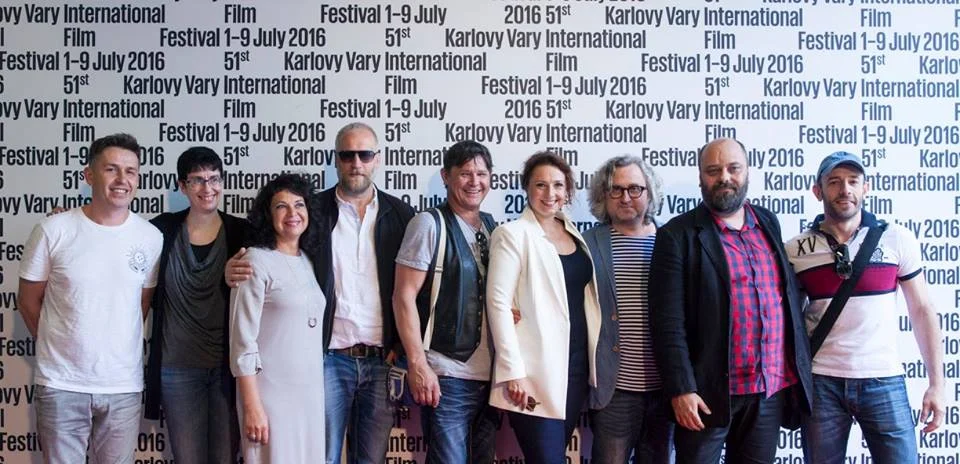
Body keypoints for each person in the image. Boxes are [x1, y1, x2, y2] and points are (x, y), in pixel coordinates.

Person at [226, 122, 415, 464]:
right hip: (328, 361)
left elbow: (416, 287)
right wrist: (231, 269)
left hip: (381, 362)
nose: (356, 162)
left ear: (377, 159)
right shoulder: (316, 210)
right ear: (336, 159)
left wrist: (401, 346)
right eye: (347, 155)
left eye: (365, 154)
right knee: (321, 457)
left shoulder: (402, 215)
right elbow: (273, 252)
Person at [648, 138, 813, 463]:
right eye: (713, 170)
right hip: (706, 393)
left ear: (747, 172)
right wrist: (681, 388)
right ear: (701, 178)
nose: (724, 177)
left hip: (768, 389)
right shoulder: (677, 235)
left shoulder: (767, 222)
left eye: (733, 168)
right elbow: (667, 322)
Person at [785, 151, 945, 463]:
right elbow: (786, 323)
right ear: (818, 191)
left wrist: (937, 385)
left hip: (884, 379)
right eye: (834, 182)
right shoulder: (796, 250)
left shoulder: (896, 239)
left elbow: (922, 310)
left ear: (866, 188)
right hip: (821, 383)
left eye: (853, 181)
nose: (845, 189)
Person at [18, 133, 163, 463]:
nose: (122, 179)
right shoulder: (53, 229)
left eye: (131, 171)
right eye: (111, 169)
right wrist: (61, 345)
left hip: (123, 386)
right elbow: (27, 301)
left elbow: (140, 305)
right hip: (61, 384)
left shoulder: (150, 238)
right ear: (89, 175)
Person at [486, 150, 602, 464]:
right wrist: (513, 373)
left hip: (575, 371)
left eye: (558, 185)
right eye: (541, 185)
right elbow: (498, 303)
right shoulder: (512, 234)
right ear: (527, 188)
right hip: (533, 373)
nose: (550, 193)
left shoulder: (575, 235)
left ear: (568, 190)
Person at [393, 140, 498, 464]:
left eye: (481, 173)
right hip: (447, 376)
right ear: (446, 176)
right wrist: (418, 365)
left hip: (491, 380)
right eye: (465, 173)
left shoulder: (493, 227)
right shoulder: (428, 224)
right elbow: (403, 296)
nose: (474, 181)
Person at [143, 147, 248, 463]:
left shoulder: (242, 232)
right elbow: (113, 237)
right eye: (197, 180)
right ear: (182, 185)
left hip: (228, 368)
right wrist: (70, 218)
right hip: (177, 367)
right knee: (188, 457)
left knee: (225, 456)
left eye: (214, 178)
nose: (207, 188)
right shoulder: (159, 230)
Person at [584, 155, 674, 464]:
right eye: (615, 189)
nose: (625, 197)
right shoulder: (588, 244)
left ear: (650, 193)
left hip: (665, 389)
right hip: (614, 391)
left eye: (634, 189)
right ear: (603, 195)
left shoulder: (671, 240)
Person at [230, 173, 326, 463]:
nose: (292, 213)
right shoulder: (254, 261)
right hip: (269, 395)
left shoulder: (307, 260)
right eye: (281, 206)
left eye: (299, 205)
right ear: (267, 215)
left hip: (308, 394)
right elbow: (242, 341)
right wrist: (252, 406)